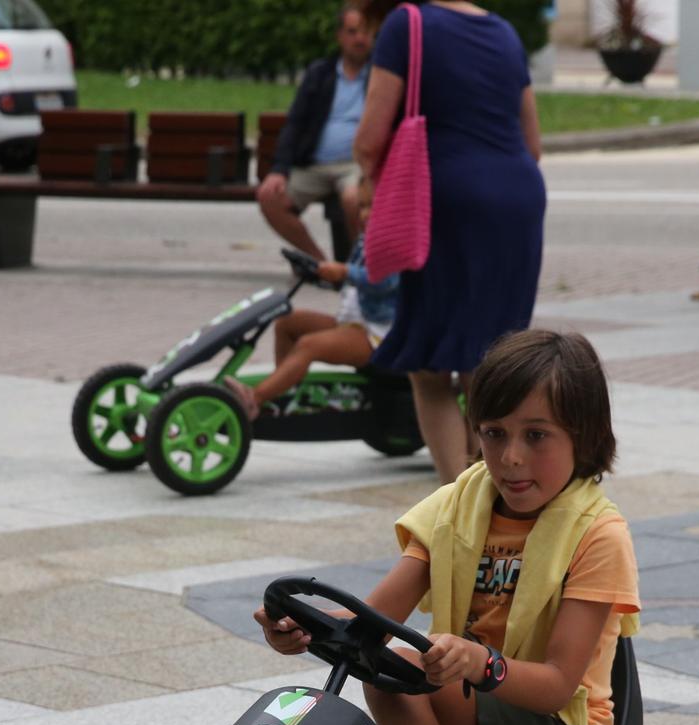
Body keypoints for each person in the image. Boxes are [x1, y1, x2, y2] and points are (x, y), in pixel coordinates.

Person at [254, 330, 639, 725]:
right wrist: (300, 630)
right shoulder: (457, 507)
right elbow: (374, 624)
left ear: (586, 438)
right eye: (493, 434)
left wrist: (480, 664)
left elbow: (556, 684)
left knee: (399, 672)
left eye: (536, 436)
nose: (511, 457)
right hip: (450, 718)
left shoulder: (598, 535)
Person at [354, 0, 544, 485]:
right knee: (491, 360)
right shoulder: (503, 31)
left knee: (430, 365)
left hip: (447, 204)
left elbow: (370, 138)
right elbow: (533, 142)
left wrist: (366, 182)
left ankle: (457, 501)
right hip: (518, 201)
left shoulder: (407, 24)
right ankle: (502, 490)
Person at [224, 230, 397, 420]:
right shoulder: (366, 238)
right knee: (287, 321)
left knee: (309, 345)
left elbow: (386, 282)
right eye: (362, 207)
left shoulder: (399, 241)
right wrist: (320, 273)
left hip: (377, 334)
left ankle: (255, 400)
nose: (365, 214)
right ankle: (283, 389)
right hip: (351, 323)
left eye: (371, 207)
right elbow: (350, 284)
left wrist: (344, 271)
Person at [259, 5, 371, 261]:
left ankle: (359, 267)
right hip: (313, 165)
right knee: (269, 196)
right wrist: (279, 169)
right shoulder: (320, 74)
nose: (359, 39)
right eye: (352, 32)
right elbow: (295, 123)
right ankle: (318, 262)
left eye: (365, 32)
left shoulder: (379, 74)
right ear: (339, 36)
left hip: (356, 166)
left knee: (355, 199)